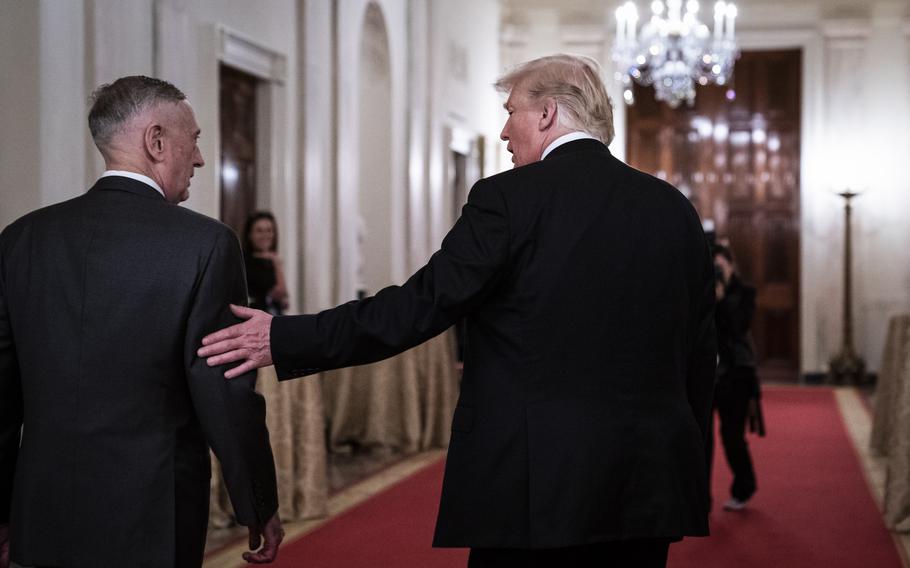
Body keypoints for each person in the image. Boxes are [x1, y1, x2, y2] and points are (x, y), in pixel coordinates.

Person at [199, 54, 716, 567]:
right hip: (651, 482)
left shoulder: (508, 198)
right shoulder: (673, 209)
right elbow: (699, 357)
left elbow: (418, 307)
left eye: (511, 111)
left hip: (535, 486)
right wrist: (687, 468)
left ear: (547, 114)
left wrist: (285, 338)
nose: (503, 132)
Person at [0, 76, 283, 568]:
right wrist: (257, 503)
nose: (198, 158)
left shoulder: (21, 239)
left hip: (42, 511)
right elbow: (224, 391)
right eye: (193, 140)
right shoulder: (207, 245)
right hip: (154, 513)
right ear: (155, 141)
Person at [710, 243, 762, 512]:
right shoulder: (700, 292)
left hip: (736, 373)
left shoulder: (745, 293)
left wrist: (721, 299)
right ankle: (699, 497)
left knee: (732, 435)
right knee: (700, 439)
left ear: (732, 265)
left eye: (722, 265)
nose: (719, 270)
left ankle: (744, 487)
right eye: (714, 266)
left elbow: (739, 326)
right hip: (706, 374)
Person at [243, 211, 289, 315]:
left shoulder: (271, 260)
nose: (265, 235)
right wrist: (277, 263)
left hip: (274, 319)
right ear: (249, 234)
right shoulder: (243, 261)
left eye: (269, 230)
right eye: (259, 231)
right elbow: (280, 293)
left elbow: (284, 301)